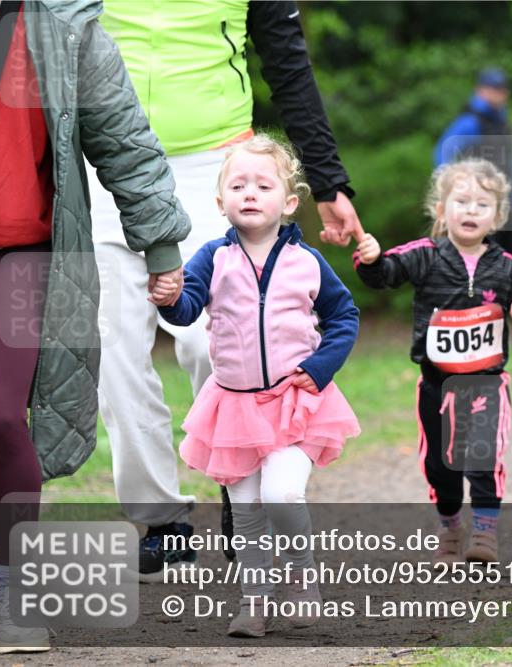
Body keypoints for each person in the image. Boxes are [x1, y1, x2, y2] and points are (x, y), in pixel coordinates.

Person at [88, 0, 362, 581]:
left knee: (208, 341)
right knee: (113, 351)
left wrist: (328, 181)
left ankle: (246, 484)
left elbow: (287, 64)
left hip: (215, 165)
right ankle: (161, 521)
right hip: (105, 157)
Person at [0, 0, 190, 654]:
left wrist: (160, 245)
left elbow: (123, 138)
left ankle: (15, 589)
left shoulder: (65, 30)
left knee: (2, 415)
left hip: (30, 258)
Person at [156, 135, 360, 637]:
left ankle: (302, 574)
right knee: (246, 511)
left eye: (263, 186)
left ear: (288, 203)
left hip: (294, 402)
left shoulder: (307, 261)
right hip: (235, 408)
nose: (249, 193)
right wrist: (169, 297)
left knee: (282, 493)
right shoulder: (212, 258)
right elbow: (186, 309)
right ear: (220, 201)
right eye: (238, 185)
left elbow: (344, 317)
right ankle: (254, 601)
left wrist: (320, 367)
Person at [354, 158, 512, 565]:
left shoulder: (505, 266)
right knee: (440, 465)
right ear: (442, 210)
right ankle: (451, 527)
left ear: (497, 218)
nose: (471, 210)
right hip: (436, 383)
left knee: (483, 454)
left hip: (487, 381)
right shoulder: (426, 255)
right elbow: (386, 272)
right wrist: (370, 259)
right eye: (462, 201)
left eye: (482, 204)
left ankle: (485, 532)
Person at [434, 67, 512, 352]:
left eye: (502, 89)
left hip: (504, 209)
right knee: (477, 272)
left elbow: (510, 166)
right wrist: (457, 197)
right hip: (481, 212)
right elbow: (443, 155)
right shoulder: (470, 122)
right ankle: (468, 333)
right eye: (493, 88)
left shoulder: (501, 121)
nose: (498, 94)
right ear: (480, 89)